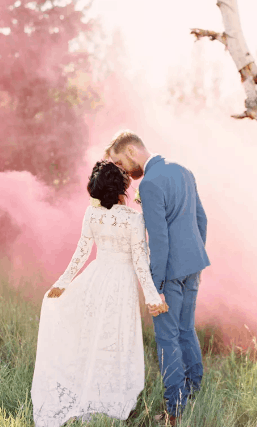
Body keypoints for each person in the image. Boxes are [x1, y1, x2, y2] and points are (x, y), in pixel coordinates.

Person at [31, 160, 168, 427]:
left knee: (95, 333)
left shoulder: (91, 214)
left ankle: (95, 388)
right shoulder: (134, 219)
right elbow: (141, 263)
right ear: (122, 187)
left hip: (97, 277)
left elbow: (81, 253)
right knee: (116, 335)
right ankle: (109, 394)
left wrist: (63, 282)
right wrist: (153, 298)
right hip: (120, 282)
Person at [106, 130, 210, 426]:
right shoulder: (183, 170)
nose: (120, 170)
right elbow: (201, 219)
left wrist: (155, 285)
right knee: (186, 330)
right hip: (193, 265)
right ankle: (194, 394)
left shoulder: (150, 183)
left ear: (130, 152)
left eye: (118, 162)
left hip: (169, 272)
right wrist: (195, 258)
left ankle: (174, 412)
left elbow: (159, 240)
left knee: (167, 339)